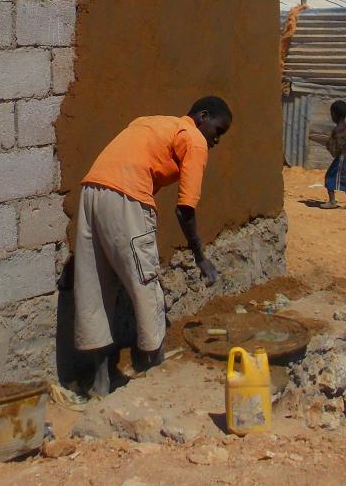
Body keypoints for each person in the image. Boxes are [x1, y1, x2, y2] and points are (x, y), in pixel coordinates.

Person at [73, 96, 232, 397]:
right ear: (203, 116)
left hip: (91, 192)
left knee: (94, 286)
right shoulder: (194, 140)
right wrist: (200, 256)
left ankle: (100, 383)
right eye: (218, 130)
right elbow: (185, 209)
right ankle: (155, 373)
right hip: (127, 197)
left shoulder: (152, 121)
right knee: (145, 284)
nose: (216, 140)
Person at [321, 100, 346, 209]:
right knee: (345, 179)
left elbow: (337, 147)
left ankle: (332, 202)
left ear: (335, 114)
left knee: (330, 177)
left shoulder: (338, 129)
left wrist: (330, 145)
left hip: (342, 158)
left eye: (332, 114)